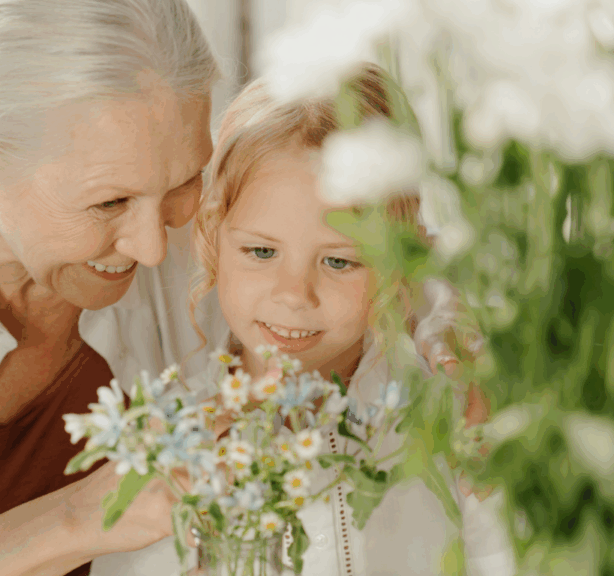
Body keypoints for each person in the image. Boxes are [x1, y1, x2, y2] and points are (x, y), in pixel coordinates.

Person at [0, 2, 462, 575]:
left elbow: (375, 252)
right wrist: (78, 518)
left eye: (183, 181)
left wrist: (460, 334)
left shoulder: (189, 218)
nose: (154, 246)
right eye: (108, 203)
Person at [96, 65, 515, 575]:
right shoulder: (174, 442)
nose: (294, 295)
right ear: (212, 236)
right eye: (261, 252)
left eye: (339, 261)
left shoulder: (450, 414)